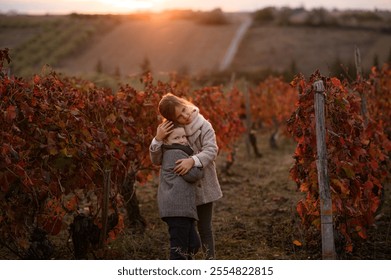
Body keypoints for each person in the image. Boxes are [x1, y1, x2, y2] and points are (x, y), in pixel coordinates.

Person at [150, 93, 222, 259]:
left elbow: (212, 150)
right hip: (181, 190)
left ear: (185, 103)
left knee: (205, 228)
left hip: (202, 184)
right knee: (187, 230)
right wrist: (157, 140)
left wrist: (193, 160)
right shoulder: (171, 129)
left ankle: (210, 263)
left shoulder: (204, 126)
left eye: (183, 109)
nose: (185, 115)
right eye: (179, 116)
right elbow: (157, 159)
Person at [151, 124, 203, 260]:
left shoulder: (176, 151)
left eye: (184, 136)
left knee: (192, 244)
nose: (182, 140)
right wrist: (197, 161)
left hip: (180, 209)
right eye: (176, 138)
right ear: (166, 141)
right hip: (177, 208)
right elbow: (193, 175)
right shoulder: (176, 153)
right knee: (179, 250)